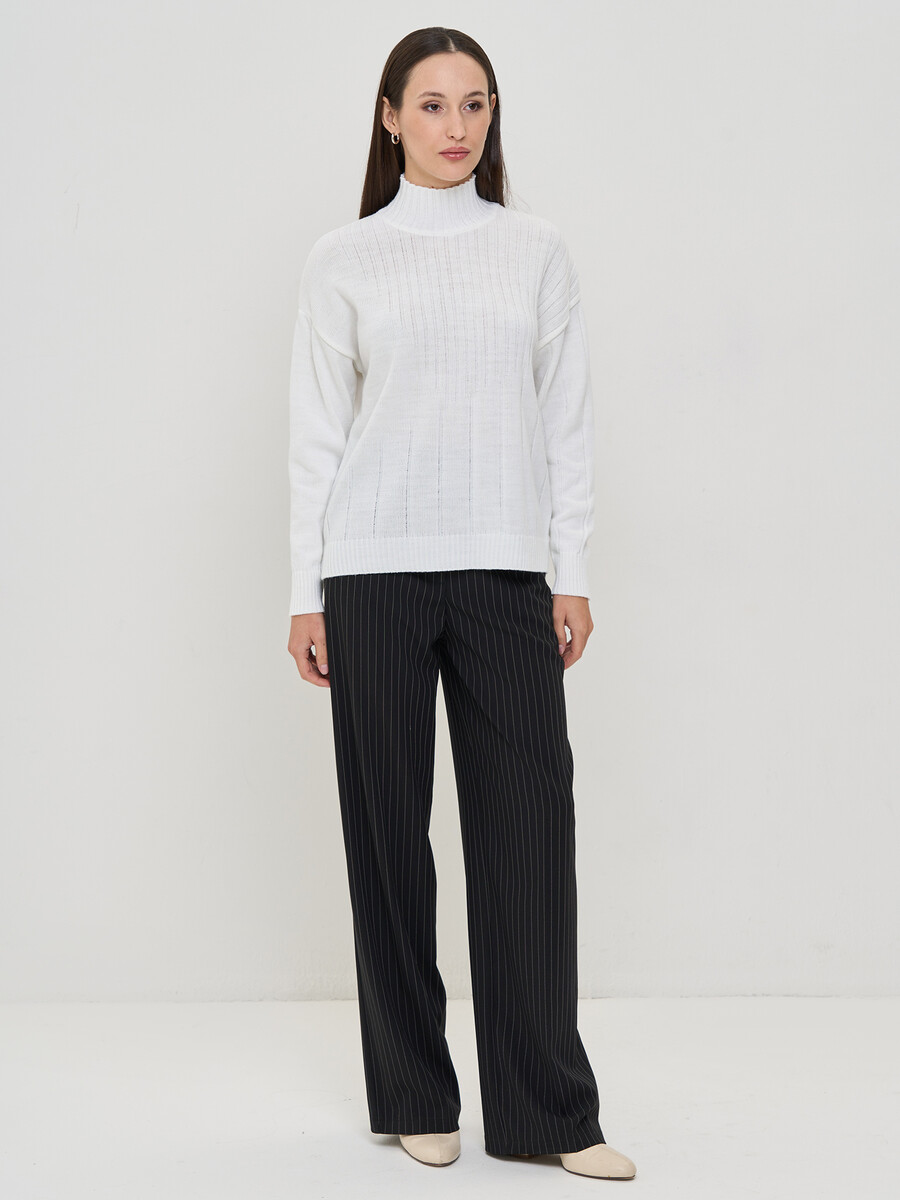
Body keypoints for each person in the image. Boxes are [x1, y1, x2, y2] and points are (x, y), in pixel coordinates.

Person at [286, 26, 636, 1182]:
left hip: (504, 571)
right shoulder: (345, 257)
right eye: (431, 104)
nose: (456, 125)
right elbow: (317, 435)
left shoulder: (535, 250)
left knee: (528, 834)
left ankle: (549, 1113)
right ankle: (411, 1093)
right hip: (370, 570)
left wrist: (570, 569)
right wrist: (305, 591)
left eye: (475, 103)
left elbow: (567, 419)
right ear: (390, 118)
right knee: (387, 837)